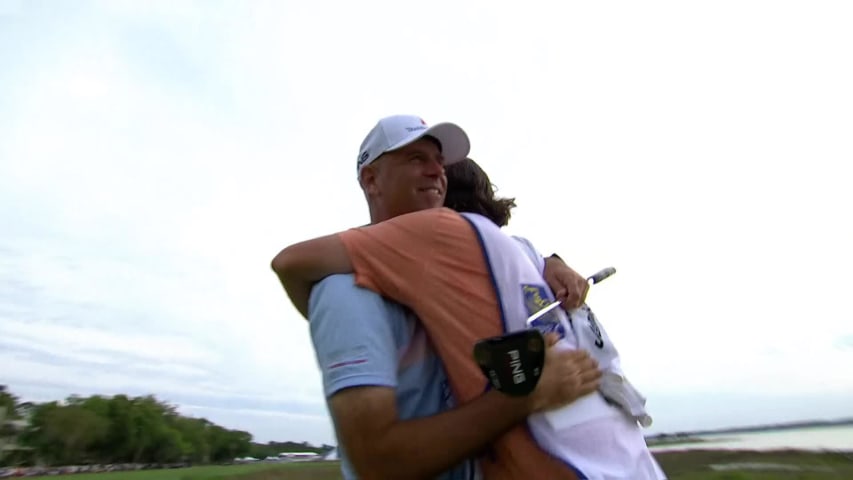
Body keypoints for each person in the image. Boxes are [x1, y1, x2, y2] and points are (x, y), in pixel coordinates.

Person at [272, 152, 667, 477]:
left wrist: (553, 261)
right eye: (417, 163)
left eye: (438, 170)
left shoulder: (501, 258)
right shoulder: (349, 290)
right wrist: (526, 396)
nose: (432, 176)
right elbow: (376, 460)